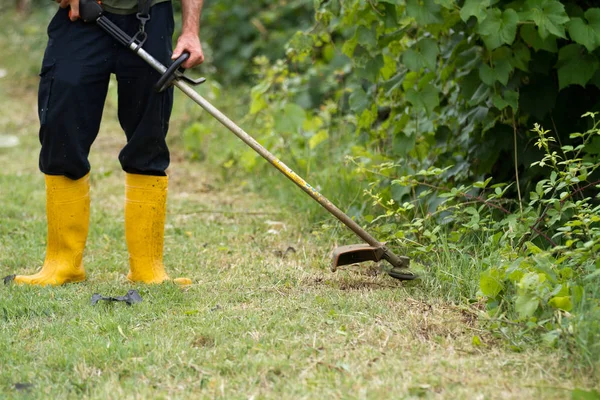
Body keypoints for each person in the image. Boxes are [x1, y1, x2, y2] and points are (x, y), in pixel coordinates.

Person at [12, 0, 204, 286]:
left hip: (150, 17)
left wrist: (191, 30)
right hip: (80, 15)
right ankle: (62, 263)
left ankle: (147, 267)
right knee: (61, 127)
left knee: (148, 136)